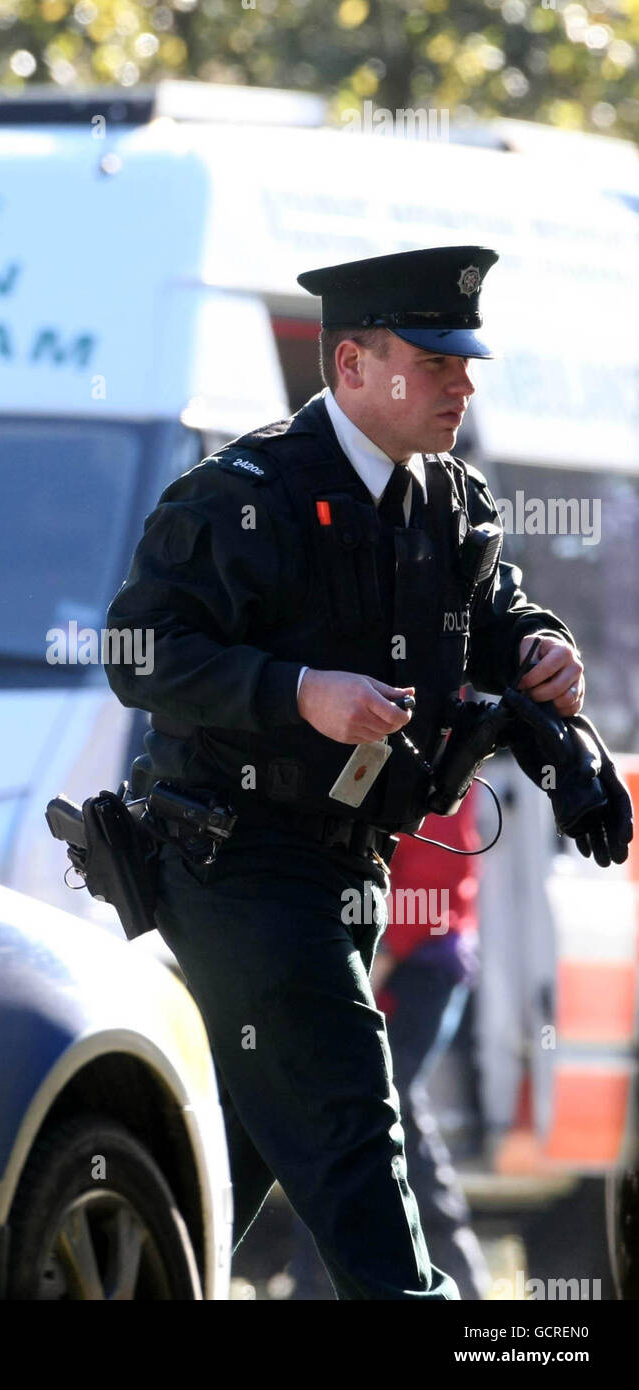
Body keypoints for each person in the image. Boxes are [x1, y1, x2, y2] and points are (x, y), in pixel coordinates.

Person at [102, 245, 589, 1300]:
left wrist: (539, 646)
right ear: (354, 363)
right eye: (436, 360)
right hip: (236, 860)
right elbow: (138, 652)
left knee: (244, 1142)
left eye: (466, 362)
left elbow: (491, 612)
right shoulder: (244, 494)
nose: (462, 382)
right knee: (350, 1118)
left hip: (351, 862)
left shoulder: (448, 499)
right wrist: (295, 691)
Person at [286, 790, 493, 1300]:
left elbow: (432, 876)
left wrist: (378, 961)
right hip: (397, 957)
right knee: (385, 1107)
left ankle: (320, 1284)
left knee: (364, 1109)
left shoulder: (433, 730)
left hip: (413, 963)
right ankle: (454, 1273)